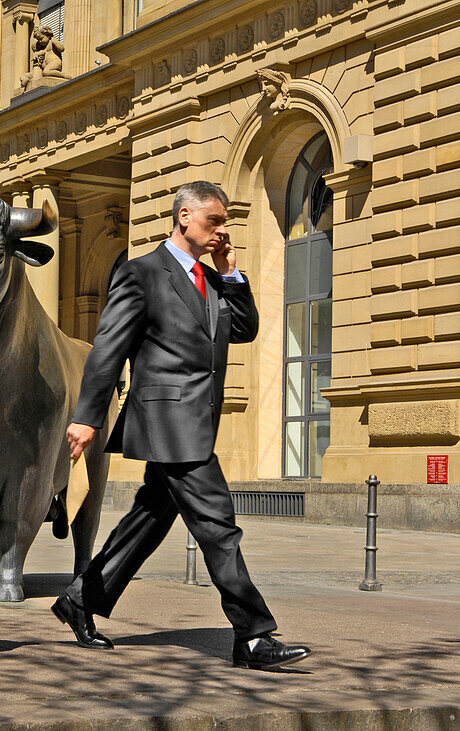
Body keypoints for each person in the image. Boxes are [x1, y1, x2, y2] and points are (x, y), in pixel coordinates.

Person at [51, 181, 311, 671]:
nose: (222, 231)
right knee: (218, 525)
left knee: (147, 521)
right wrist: (87, 417)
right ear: (185, 216)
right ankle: (253, 637)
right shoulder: (141, 274)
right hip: (167, 420)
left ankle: (79, 602)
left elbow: (246, 328)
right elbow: (108, 351)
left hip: (197, 420)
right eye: (215, 221)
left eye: (225, 222)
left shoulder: (213, 281)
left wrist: (230, 272)